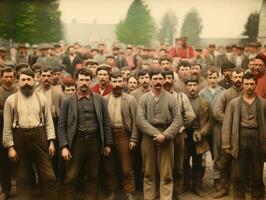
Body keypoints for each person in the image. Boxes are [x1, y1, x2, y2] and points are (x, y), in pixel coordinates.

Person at [57, 68, 113, 200]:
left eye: (87, 80)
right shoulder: (68, 101)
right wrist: (64, 146)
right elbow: (62, 126)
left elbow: (106, 123)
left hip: (95, 141)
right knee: (72, 175)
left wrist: (107, 144)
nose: (84, 83)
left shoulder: (100, 100)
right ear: (76, 81)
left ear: (91, 81)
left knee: (93, 175)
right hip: (77, 141)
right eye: (81, 80)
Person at [2, 68, 57, 200]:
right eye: (23, 80)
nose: (26, 82)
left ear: (34, 81)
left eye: (29, 79)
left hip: (39, 135)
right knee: (22, 175)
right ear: (19, 82)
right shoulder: (11, 100)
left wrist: (51, 142)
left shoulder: (41, 98)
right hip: (20, 137)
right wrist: (10, 147)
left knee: (48, 174)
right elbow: (7, 126)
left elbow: (49, 122)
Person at [136, 68, 182, 200]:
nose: (158, 81)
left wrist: (165, 135)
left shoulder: (171, 98)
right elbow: (140, 120)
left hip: (167, 138)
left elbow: (177, 120)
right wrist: (157, 134)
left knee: (167, 174)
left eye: (160, 79)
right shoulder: (143, 99)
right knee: (148, 173)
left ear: (164, 80)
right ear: (150, 81)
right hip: (148, 138)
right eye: (155, 79)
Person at [222, 72, 266, 200]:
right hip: (240, 139)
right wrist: (226, 144)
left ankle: (257, 196)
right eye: (247, 84)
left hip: (257, 139)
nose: (249, 87)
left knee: (257, 173)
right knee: (239, 173)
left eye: (252, 84)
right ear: (243, 85)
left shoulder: (263, 103)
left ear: (256, 85)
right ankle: (239, 197)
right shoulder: (234, 103)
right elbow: (227, 124)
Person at [163, 68, 196, 199]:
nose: (166, 81)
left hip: (177, 136)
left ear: (173, 79)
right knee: (164, 165)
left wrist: (181, 126)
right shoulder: (156, 96)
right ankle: (165, 192)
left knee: (178, 165)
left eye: (169, 78)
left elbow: (190, 115)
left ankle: (177, 192)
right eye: (163, 78)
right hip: (162, 135)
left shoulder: (181, 96)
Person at [105, 71, 138, 200]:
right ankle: (112, 191)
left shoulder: (130, 99)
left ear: (123, 82)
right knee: (109, 166)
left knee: (126, 167)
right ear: (110, 82)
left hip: (124, 134)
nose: (117, 84)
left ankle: (129, 192)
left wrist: (134, 138)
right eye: (115, 81)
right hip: (109, 134)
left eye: (120, 81)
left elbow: (136, 121)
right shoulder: (104, 99)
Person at [213, 68, 244, 198]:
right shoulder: (225, 94)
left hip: (242, 133)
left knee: (241, 161)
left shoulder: (247, 93)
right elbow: (217, 112)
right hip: (226, 133)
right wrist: (231, 122)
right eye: (235, 76)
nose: (237, 79)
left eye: (240, 77)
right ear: (231, 77)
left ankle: (237, 188)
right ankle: (224, 187)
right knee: (224, 161)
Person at [183, 75, 213, 197]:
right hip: (184, 135)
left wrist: (202, 132)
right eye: (189, 85)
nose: (192, 88)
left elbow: (210, 121)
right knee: (183, 161)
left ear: (198, 86)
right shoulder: (181, 100)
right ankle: (185, 184)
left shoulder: (204, 102)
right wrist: (182, 131)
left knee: (198, 162)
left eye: (194, 85)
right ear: (186, 87)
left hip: (198, 135)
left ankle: (197, 186)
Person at [0, 67, 17, 200]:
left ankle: (24, 188)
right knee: (3, 161)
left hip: (18, 129)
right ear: (2, 77)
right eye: (6, 76)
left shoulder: (18, 91)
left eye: (11, 76)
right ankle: (6, 189)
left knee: (20, 160)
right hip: (2, 130)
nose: (8, 79)